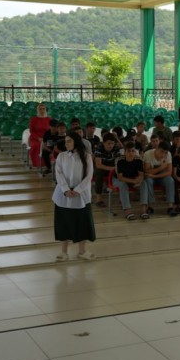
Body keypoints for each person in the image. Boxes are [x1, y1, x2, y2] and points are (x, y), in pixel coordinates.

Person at [52, 132, 95, 261]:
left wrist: (78, 190)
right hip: (63, 194)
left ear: (76, 141)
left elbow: (89, 175)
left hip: (80, 194)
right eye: (65, 141)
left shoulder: (87, 157)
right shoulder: (61, 156)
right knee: (63, 222)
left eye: (69, 141)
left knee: (82, 222)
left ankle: (82, 251)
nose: (66, 144)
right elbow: (58, 174)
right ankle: (64, 252)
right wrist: (65, 189)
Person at [114, 141, 147, 220]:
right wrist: (133, 181)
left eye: (133, 151)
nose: (131, 153)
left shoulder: (138, 159)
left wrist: (139, 180)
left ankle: (143, 210)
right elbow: (120, 178)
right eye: (129, 151)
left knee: (144, 183)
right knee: (123, 185)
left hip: (133, 179)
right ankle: (127, 211)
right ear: (125, 152)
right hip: (119, 180)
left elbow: (141, 174)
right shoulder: (120, 160)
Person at [143, 141, 177, 217]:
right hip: (151, 176)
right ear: (157, 148)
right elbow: (146, 171)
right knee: (148, 181)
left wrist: (154, 175)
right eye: (162, 151)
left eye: (165, 152)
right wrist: (161, 167)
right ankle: (150, 206)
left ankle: (170, 207)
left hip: (160, 176)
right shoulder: (148, 154)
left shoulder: (168, 155)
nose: (163, 154)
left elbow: (169, 172)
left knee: (170, 180)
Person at [92, 133, 119, 208]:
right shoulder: (98, 149)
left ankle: (125, 193)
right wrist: (112, 169)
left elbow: (118, 160)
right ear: (103, 143)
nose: (110, 145)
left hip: (112, 166)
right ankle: (98, 199)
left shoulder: (116, 148)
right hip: (101, 168)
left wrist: (116, 168)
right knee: (99, 173)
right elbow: (98, 165)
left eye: (112, 143)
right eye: (108, 143)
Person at [28, 103, 52, 170]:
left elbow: (51, 131)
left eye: (43, 109)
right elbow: (31, 131)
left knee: (51, 145)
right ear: (37, 110)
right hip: (35, 138)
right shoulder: (33, 119)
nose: (42, 110)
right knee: (38, 146)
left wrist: (46, 138)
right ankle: (38, 164)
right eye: (40, 109)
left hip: (47, 138)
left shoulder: (49, 119)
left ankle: (49, 164)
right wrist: (38, 138)